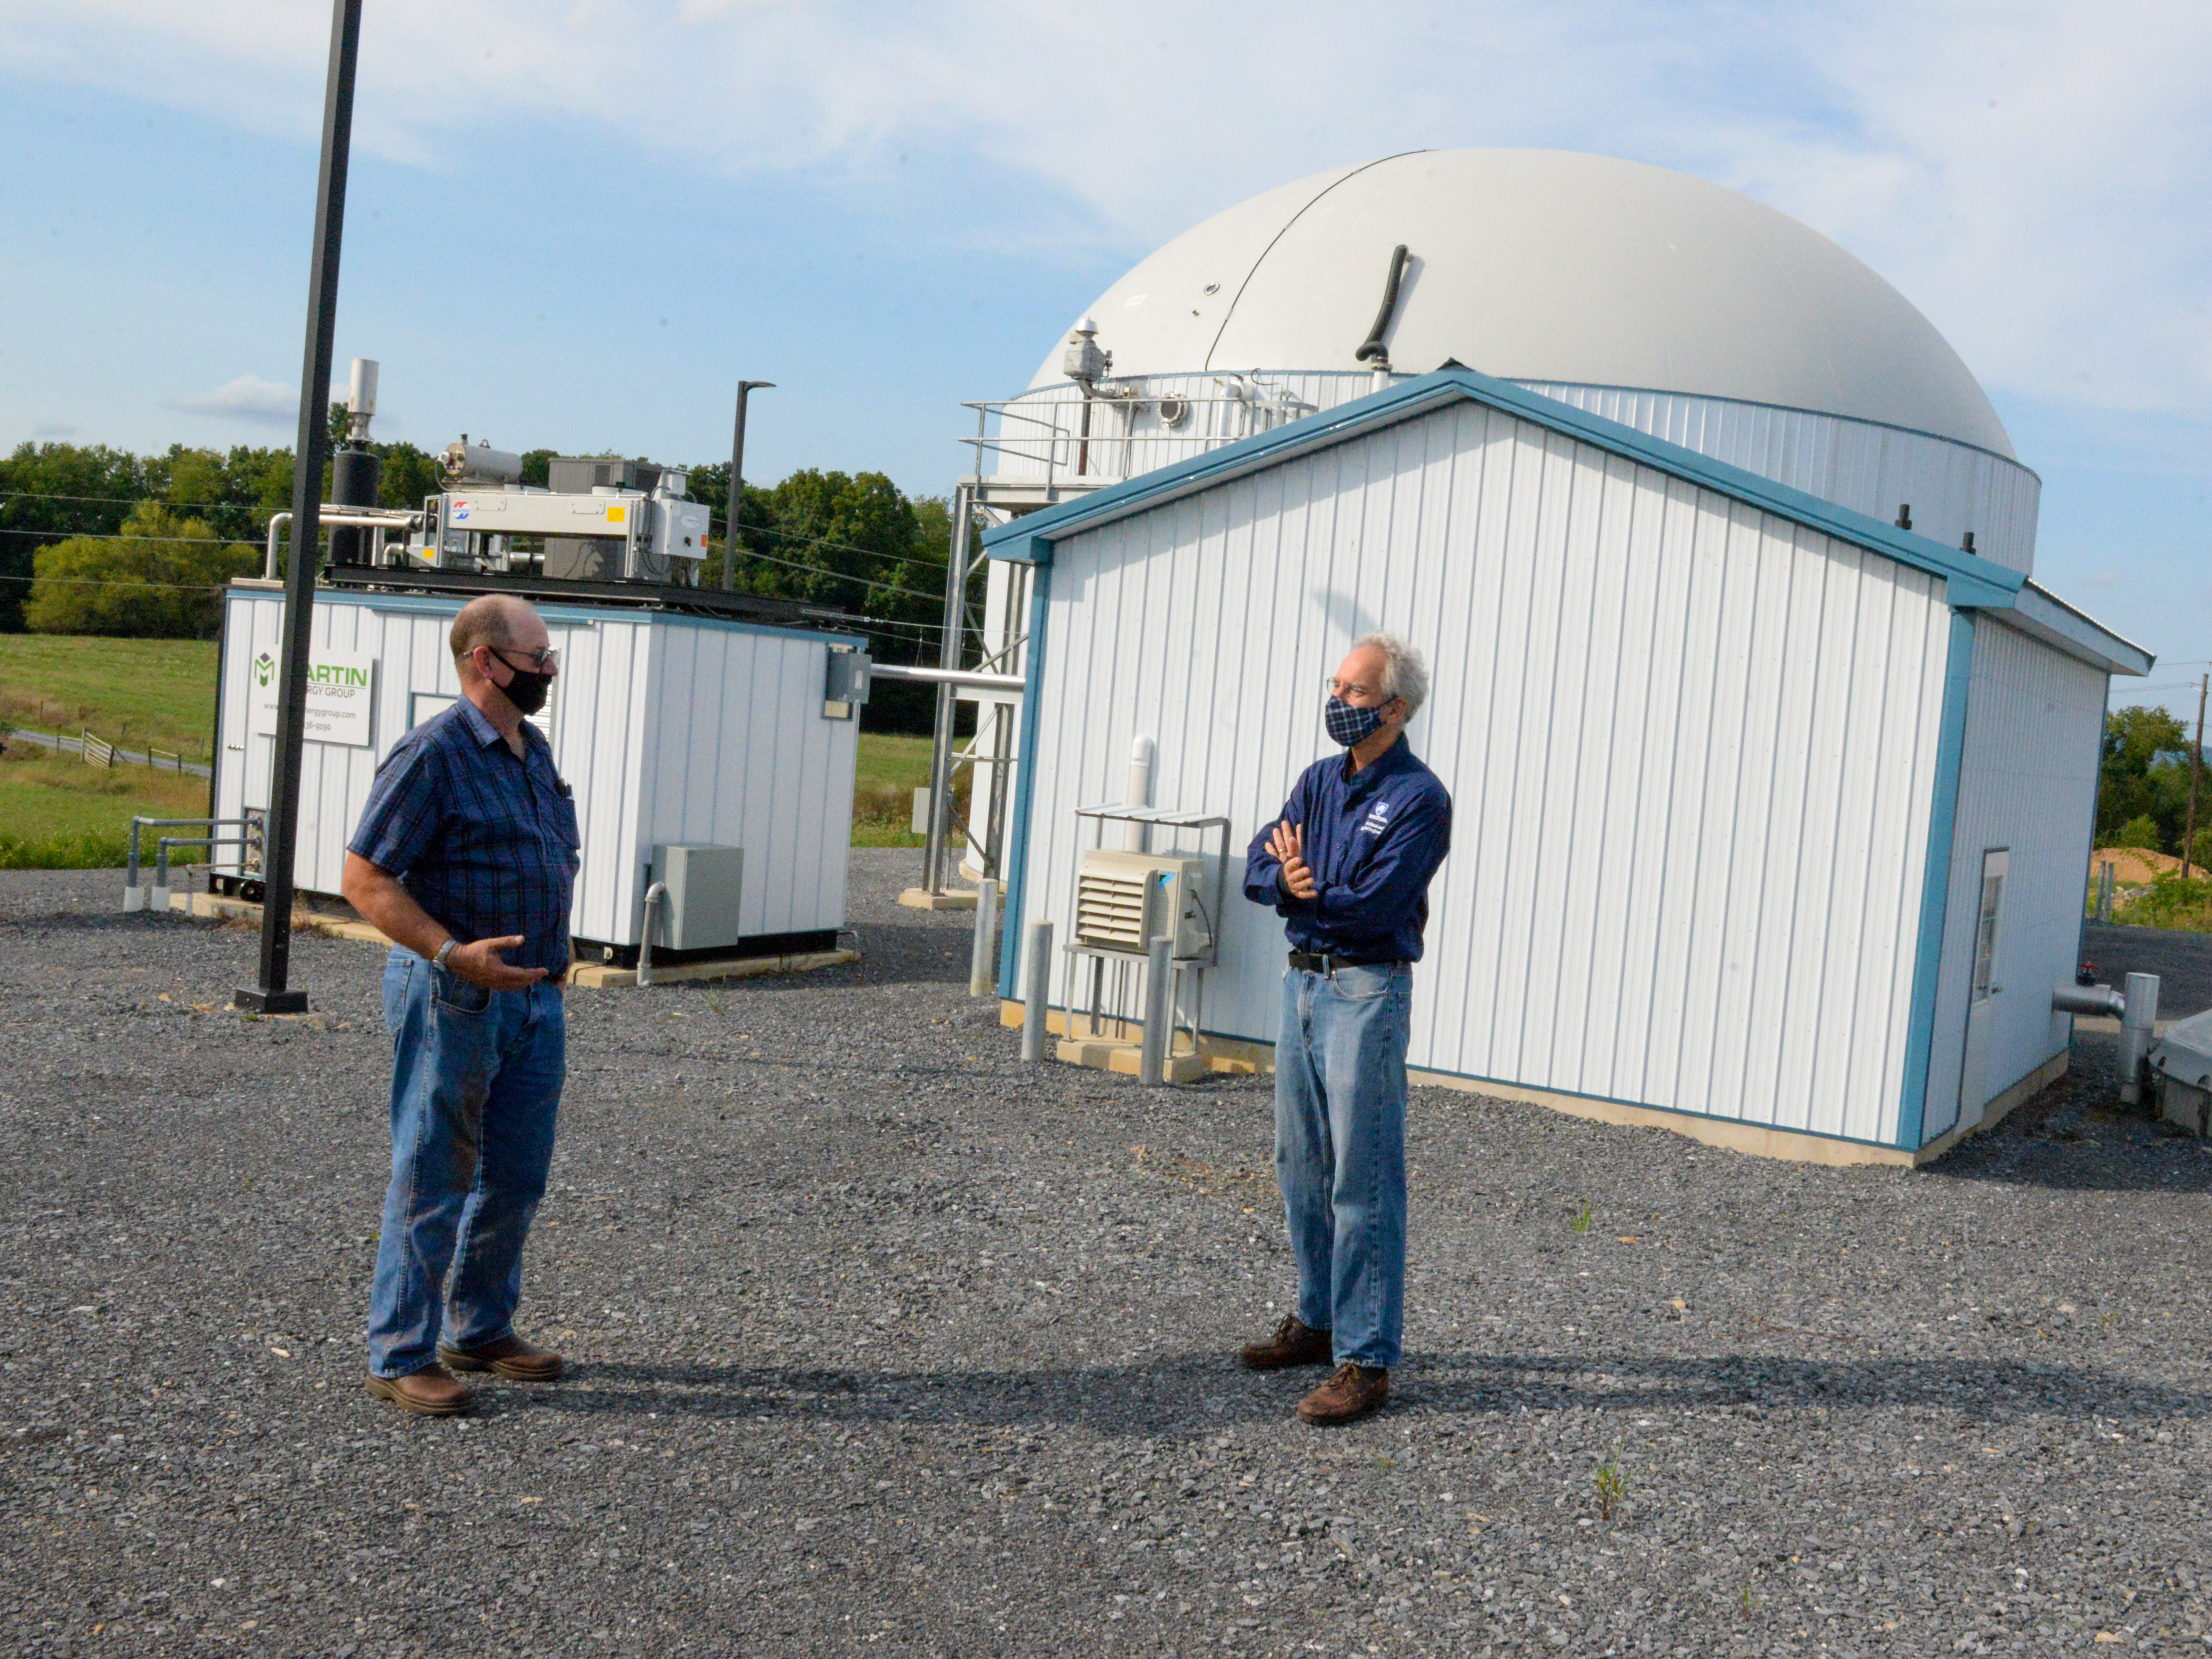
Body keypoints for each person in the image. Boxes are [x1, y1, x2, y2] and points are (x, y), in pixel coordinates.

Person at [341, 594, 580, 1416]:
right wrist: (450, 954)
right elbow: (364, 879)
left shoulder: (531, 749)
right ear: (487, 660)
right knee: (434, 1170)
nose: (549, 671)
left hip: (535, 999)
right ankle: (399, 1352)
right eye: (538, 657)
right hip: (454, 995)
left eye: (549, 658)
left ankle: (478, 1329)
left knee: (515, 1175)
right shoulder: (433, 753)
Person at [1238, 633, 1452, 1425]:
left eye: (1355, 692)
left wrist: (1300, 889)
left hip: (1365, 994)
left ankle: (1366, 1361)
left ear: (1395, 708)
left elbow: (1373, 905)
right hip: (1303, 988)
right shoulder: (1318, 781)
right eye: (1335, 685)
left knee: (1360, 1182)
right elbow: (1261, 862)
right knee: (1300, 1165)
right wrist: (1286, 879)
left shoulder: (1419, 799)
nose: (1338, 702)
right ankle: (1318, 1320)